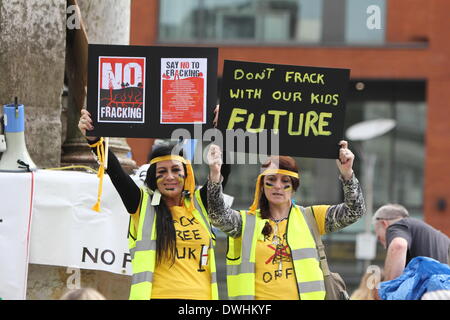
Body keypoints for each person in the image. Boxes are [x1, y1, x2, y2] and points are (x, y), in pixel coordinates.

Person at [78, 109, 227, 300]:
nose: (170, 177)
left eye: (175, 170)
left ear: (186, 174)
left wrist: (222, 128)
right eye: (162, 172)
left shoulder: (200, 203)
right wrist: (94, 139)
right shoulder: (142, 204)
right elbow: (115, 171)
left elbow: (223, 170)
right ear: (153, 178)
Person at [205, 141, 366, 300]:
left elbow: (355, 211)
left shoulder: (311, 217)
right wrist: (214, 174)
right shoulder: (246, 222)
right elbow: (217, 214)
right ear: (262, 186)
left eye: (285, 181)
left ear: (294, 187)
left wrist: (347, 173)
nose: (278, 186)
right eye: (271, 180)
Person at [373, 204, 450, 281]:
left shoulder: (398, 225)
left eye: (379, 238)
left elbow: (398, 246)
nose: (384, 246)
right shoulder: (443, 238)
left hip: (423, 291)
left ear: (384, 224)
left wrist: (389, 288)